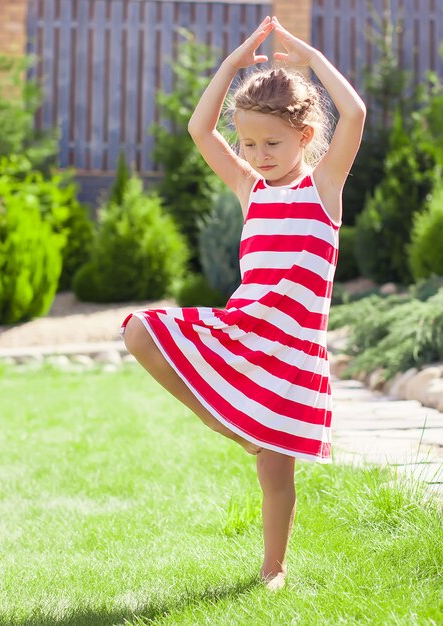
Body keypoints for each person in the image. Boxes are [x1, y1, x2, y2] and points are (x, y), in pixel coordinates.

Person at [119, 15, 366, 590]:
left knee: (275, 473)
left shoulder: (323, 188)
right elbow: (200, 130)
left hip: (293, 352)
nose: (257, 153)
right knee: (137, 331)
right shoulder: (249, 188)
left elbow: (352, 114)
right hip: (244, 332)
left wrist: (309, 59)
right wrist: (231, 67)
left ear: (305, 138)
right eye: (249, 143)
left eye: (271, 143)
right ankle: (227, 418)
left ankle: (272, 570)